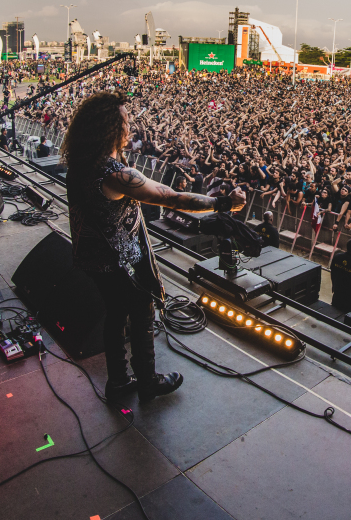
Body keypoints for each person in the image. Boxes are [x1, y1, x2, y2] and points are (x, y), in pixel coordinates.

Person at [61, 91, 245, 402]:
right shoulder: (113, 173)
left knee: (116, 315)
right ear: (108, 127)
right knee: (141, 314)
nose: (128, 127)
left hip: (91, 257)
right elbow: (169, 196)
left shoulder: (81, 162)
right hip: (119, 261)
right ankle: (147, 380)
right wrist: (223, 202)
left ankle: (118, 381)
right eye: (123, 122)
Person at [330, 238, 351, 313]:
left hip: (338, 292)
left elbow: (333, 273)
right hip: (350, 298)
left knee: (333, 313)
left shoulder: (337, 257)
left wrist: (334, 285)